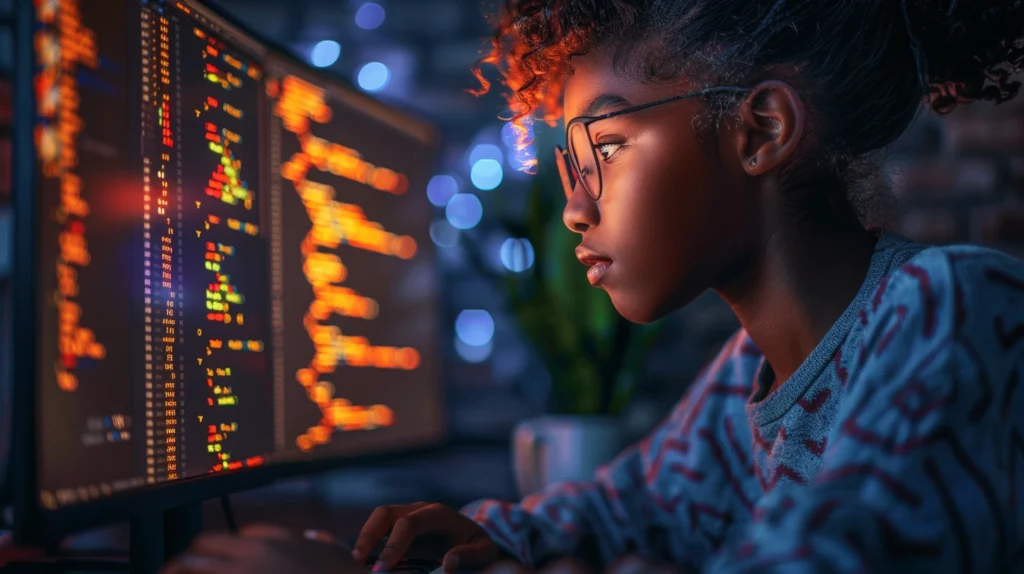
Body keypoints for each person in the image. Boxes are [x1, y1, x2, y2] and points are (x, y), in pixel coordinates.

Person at [160, 0, 1024, 572]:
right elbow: (621, 509)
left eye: (604, 150)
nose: (575, 209)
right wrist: (487, 538)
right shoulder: (743, 378)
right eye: (570, 165)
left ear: (759, 130)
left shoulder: (953, 307)